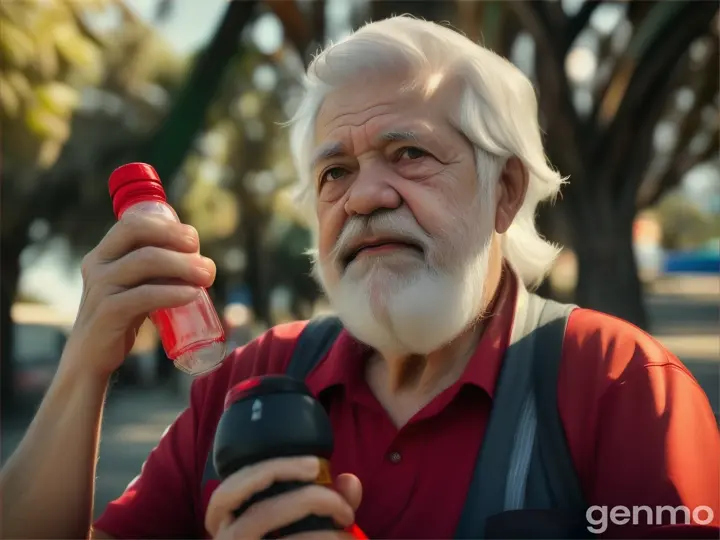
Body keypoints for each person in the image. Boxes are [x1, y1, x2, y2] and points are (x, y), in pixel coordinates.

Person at [2, 16, 718, 540]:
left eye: (408, 153)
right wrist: (85, 365)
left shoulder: (622, 385)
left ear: (504, 193)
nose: (364, 196)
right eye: (334, 171)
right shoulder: (250, 380)